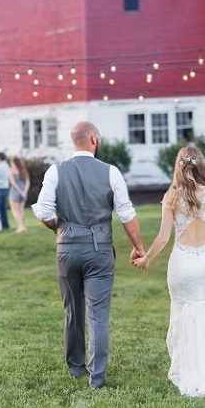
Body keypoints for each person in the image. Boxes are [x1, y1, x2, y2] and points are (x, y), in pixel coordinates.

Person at [32, 121, 145, 389]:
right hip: (100, 250)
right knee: (98, 314)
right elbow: (126, 214)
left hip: (67, 248)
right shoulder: (111, 172)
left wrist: (61, 230)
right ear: (93, 139)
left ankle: (75, 367)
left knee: (72, 310)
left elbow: (44, 212)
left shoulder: (55, 171)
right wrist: (139, 247)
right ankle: (97, 377)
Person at [133, 144, 205, 397]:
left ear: (179, 166)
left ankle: (191, 374)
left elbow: (162, 237)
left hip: (182, 264)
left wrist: (147, 258)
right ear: (202, 164)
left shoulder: (172, 196)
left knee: (184, 317)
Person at [8, 156, 30, 232]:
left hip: (15, 192)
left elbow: (13, 183)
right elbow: (27, 182)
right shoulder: (23, 170)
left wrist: (20, 191)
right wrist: (24, 192)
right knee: (21, 210)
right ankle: (23, 226)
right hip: (24, 191)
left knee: (15, 210)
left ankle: (20, 227)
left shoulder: (11, 170)